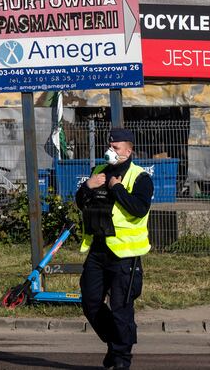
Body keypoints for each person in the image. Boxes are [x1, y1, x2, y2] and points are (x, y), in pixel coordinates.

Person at [74, 127, 153, 370]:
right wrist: (88, 185)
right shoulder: (98, 171)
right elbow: (80, 201)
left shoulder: (140, 177)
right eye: (109, 146)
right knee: (90, 302)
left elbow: (138, 209)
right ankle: (115, 341)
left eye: (116, 148)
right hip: (98, 249)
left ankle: (121, 359)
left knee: (121, 308)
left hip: (124, 254)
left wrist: (117, 187)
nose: (111, 151)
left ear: (128, 151)